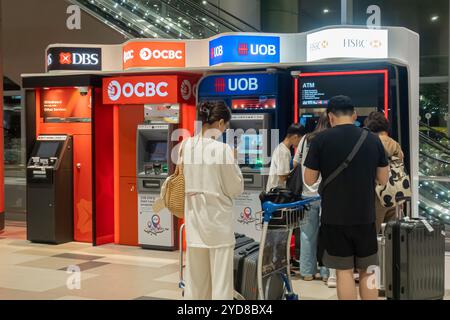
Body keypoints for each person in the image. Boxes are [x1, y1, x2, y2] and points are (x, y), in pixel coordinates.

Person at [304, 95, 389, 300]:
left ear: (330, 117)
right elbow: (383, 179)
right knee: (368, 270)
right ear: (354, 115)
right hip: (365, 216)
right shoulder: (372, 139)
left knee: (344, 272)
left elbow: (309, 179)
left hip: (334, 218)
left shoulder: (320, 140)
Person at [182, 101, 244, 300]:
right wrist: (234, 162)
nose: (225, 129)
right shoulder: (222, 149)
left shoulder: (186, 145)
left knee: (196, 283)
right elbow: (234, 187)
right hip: (217, 224)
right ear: (220, 122)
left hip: (194, 222)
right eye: (225, 126)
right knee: (221, 284)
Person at [293, 113, 330, 283]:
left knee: (307, 235)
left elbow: (296, 162)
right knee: (327, 233)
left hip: (306, 194)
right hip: (326, 194)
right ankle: (325, 273)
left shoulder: (305, 139)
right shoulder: (330, 139)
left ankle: (307, 272)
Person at [364, 111, 405, 234]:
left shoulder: (370, 142)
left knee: (373, 234)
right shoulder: (395, 144)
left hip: (376, 194)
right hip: (395, 193)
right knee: (391, 237)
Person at [266, 124, 306, 192]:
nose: (300, 144)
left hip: (276, 192)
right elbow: (282, 177)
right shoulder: (283, 152)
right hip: (276, 195)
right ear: (295, 137)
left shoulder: (283, 148)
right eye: (300, 141)